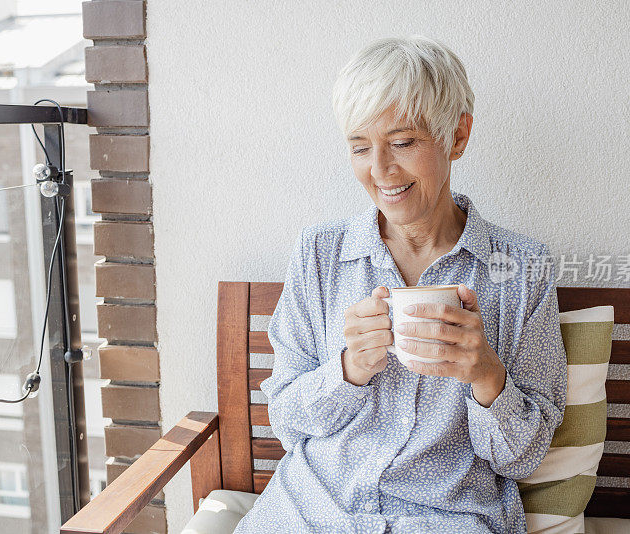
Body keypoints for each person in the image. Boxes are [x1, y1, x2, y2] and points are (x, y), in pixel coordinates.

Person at [233, 35, 567, 534]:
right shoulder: (321, 254)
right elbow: (285, 419)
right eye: (360, 147)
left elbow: (521, 459)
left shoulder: (521, 267)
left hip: (445, 521)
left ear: (457, 135)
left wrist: (486, 377)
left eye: (403, 142)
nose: (380, 169)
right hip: (312, 512)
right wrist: (346, 371)